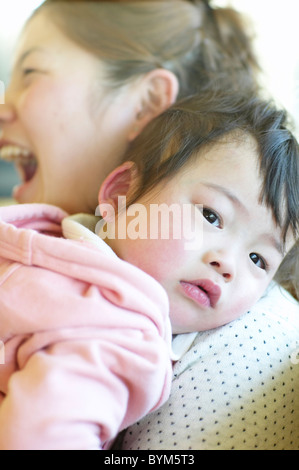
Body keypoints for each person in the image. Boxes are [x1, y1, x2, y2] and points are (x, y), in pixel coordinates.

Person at [0, 0, 297, 450]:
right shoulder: (60, 236)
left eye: (258, 258)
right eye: (212, 217)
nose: (228, 263)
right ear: (119, 195)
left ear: (147, 101)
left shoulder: (123, 328)